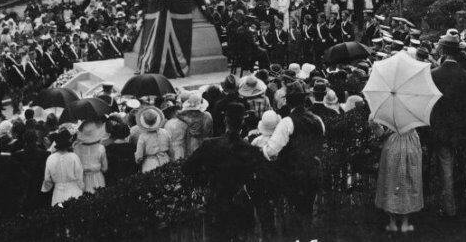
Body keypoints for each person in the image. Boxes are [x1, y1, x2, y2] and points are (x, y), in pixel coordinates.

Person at [183, 102, 265, 237]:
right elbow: (258, 180)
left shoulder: (209, 145)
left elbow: (186, 168)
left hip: (216, 202)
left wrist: (204, 178)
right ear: (242, 122)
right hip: (240, 203)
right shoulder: (251, 150)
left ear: (225, 120)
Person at [262, 80, 325, 238]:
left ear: (288, 101)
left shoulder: (287, 122)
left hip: (293, 175)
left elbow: (271, 151)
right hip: (313, 171)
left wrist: (261, 149)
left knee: (294, 213)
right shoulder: (318, 120)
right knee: (308, 210)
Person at [430, 36, 466, 217]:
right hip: (464, 127)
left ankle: (449, 208)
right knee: (465, 165)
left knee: (446, 167)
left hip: (442, 128)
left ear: (443, 51)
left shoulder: (433, 75)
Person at [373, 122, 424, 233]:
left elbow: (381, 134)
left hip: (393, 147)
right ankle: (405, 223)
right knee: (408, 183)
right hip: (411, 146)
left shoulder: (390, 114)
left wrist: (375, 125)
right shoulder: (412, 114)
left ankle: (393, 222)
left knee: (391, 182)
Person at [41, 128, 84, 207]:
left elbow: (47, 179)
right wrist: (82, 188)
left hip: (58, 193)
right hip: (74, 191)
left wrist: (45, 189)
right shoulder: (74, 157)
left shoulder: (51, 158)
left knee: (59, 213)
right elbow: (79, 177)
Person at [73, 120, 108, 193]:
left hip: (81, 179)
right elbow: (105, 168)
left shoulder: (76, 148)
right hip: (97, 178)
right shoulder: (100, 148)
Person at [134, 105, 172, 173]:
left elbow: (139, 156)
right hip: (165, 160)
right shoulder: (165, 132)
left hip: (150, 163)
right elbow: (171, 149)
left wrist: (138, 161)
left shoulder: (143, 136)